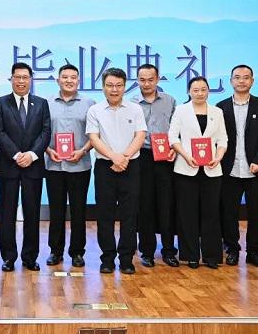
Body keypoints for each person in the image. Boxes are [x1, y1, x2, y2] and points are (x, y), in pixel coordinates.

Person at [0, 62, 51, 272]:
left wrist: (32, 155)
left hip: (33, 166)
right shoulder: (0, 103)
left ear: (31, 80)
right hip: (8, 165)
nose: (21, 81)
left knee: (32, 213)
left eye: (25, 77)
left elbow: (45, 132)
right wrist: (17, 155)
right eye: (17, 77)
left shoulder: (41, 103)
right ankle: (8, 257)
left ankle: (29, 257)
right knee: (7, 214)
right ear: (11, 79)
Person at [86, 68, 146, 274]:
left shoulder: (135, 108)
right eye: (110, 85)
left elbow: (140, 135)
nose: (114, 89)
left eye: (119, 85)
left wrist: (125, 157)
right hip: (105, 166)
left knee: (130, 214)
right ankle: (108, 258)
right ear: (103, 87)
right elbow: (94, 138)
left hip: (131, 165)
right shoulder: (95, 110)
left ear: (125, 86)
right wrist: (114, 157)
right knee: (105, 214)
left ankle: (127, 259)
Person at [169, 76, 227, 269]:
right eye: (195, 90)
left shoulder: (217, 112)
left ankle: (211, 256)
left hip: (212, 169)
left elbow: (223, 139)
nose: (200, 93)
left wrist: (218, 157)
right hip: (186, 168)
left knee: (211, 213)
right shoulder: (180, 110)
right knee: (187, 213)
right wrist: (185, 155)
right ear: (189, 92)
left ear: (208, 91)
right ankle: (190, 255)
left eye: (203, 89)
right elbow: (172, 137)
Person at [216, 64, 258, 268]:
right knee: (229, 212)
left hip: (254, 169)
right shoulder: (221, 107)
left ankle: (254, 252)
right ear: (230, 81)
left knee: (256, 213)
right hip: (229, 168)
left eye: (245, 77)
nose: (241, 81)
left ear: (252, 81)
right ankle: (232, 249)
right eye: (237, 77)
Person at [44, 64, 95, 268]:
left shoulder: (90, 103)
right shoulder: (46, 103)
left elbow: (96, 135)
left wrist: (82, 151)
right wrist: (48, 150)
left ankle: (77, 252)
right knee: (56, 210)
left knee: (78, 210)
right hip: (54, 164)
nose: (69, 80)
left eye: (73, 77)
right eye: (64, 77)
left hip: (80, 164)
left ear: (79, 81)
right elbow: (41, 132)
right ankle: (55, 251)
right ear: (58, 80)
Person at [132, 64, 178, 268]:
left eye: (151, 79)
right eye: (142, 80)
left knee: (167, 205)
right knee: (145, 206)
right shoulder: (132, 103)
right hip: (141, 156)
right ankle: (147, 252)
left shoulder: (170, 101)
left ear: (158, 79)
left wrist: (175, 149)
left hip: (165, 158)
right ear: (137, 80)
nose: (147, 84)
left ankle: (169, 251)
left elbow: (178, 130)